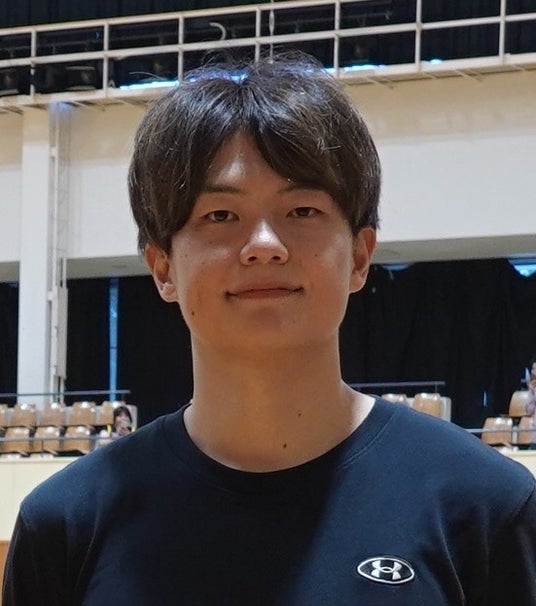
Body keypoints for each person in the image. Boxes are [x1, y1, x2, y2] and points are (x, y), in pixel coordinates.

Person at [3, 54, 536, 606]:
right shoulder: (67, 523)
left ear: (359, 256)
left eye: (302, 211)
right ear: (163, 268)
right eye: (220, 216)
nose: (264, 245)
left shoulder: (485, 506)